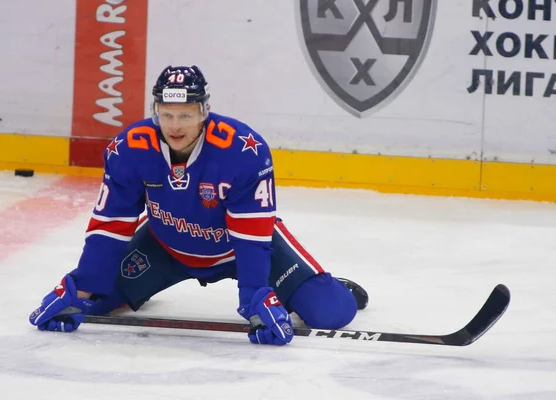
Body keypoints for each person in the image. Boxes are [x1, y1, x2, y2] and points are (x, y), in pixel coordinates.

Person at [29, 65, 368, 346]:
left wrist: (254, 296)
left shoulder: (243, 150)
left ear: (204, 111)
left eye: (186, 115)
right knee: (92, 303)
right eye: (167, 114)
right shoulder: (129, 149)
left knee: (331, 312)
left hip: (238, 248)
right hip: (165, 246)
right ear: (154, 112)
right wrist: (80, 286)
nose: (175, 126)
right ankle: (139, 287)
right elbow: (111, 225)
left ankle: (321, 284)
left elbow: (251, 234)